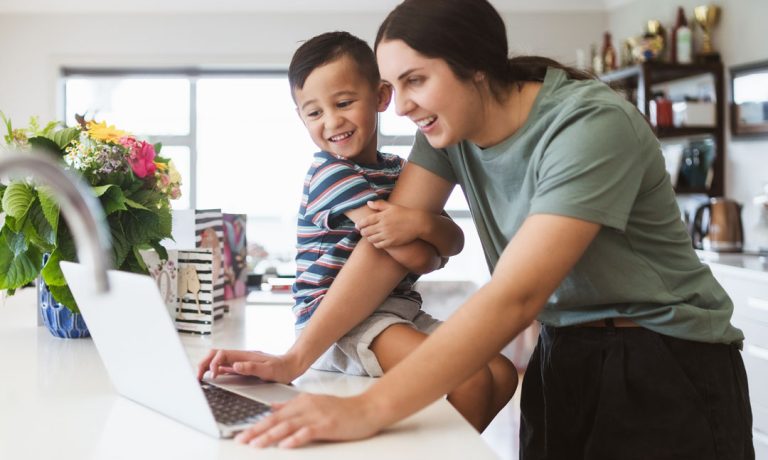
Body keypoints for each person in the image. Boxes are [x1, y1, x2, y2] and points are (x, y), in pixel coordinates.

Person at [208, 2, 754, 457]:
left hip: (664, 359)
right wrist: (295, 357)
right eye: (395, 86)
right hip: (562, 353)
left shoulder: (589, 124)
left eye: (416, 80)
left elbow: (516, 295)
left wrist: (366, 409)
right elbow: (388, 250)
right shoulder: (444, 131)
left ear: (476, 67)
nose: (402, 107)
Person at [198, 31, 518, 432]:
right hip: (340, 325)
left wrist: (418, 225)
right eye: (314, 113)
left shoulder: (399, 170)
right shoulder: (330, 173)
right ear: (300, 117)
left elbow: (455, 241)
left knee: (502, 372)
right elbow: (422, 257)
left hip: (398, 313)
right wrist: (428, 244)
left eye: (344, 103)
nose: (332, 122)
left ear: (381, 97)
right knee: (470, 379)